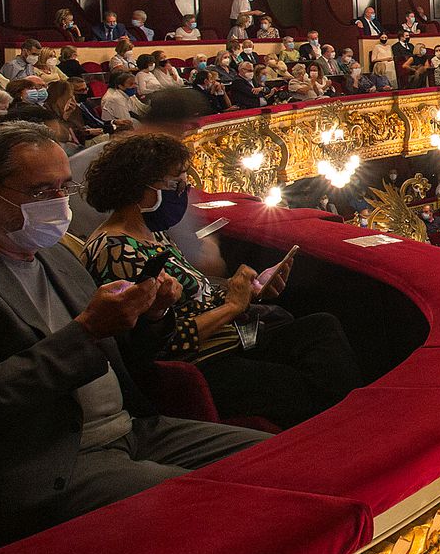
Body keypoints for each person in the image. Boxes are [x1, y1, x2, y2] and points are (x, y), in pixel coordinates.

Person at [0, 123, 265, 554]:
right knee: (211, 510)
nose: (59, 202)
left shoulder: (55, 255)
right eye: (40, 190)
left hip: (130, 429)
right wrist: (85, 331)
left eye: (64, 187)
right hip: (44, 458)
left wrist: (151, 315)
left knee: (273, 461)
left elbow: (124, 358)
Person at [81, 134, 359, 426]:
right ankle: (346, 432)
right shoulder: (118, 250)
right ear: (140, 188)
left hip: (225, 340)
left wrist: (244, 289)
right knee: (313, 380)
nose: (184, 192)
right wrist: (233, 307)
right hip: (201, 365)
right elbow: (156, 343)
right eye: (176, 184)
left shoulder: (150, 232)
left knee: (321, 327)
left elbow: (192, 297)